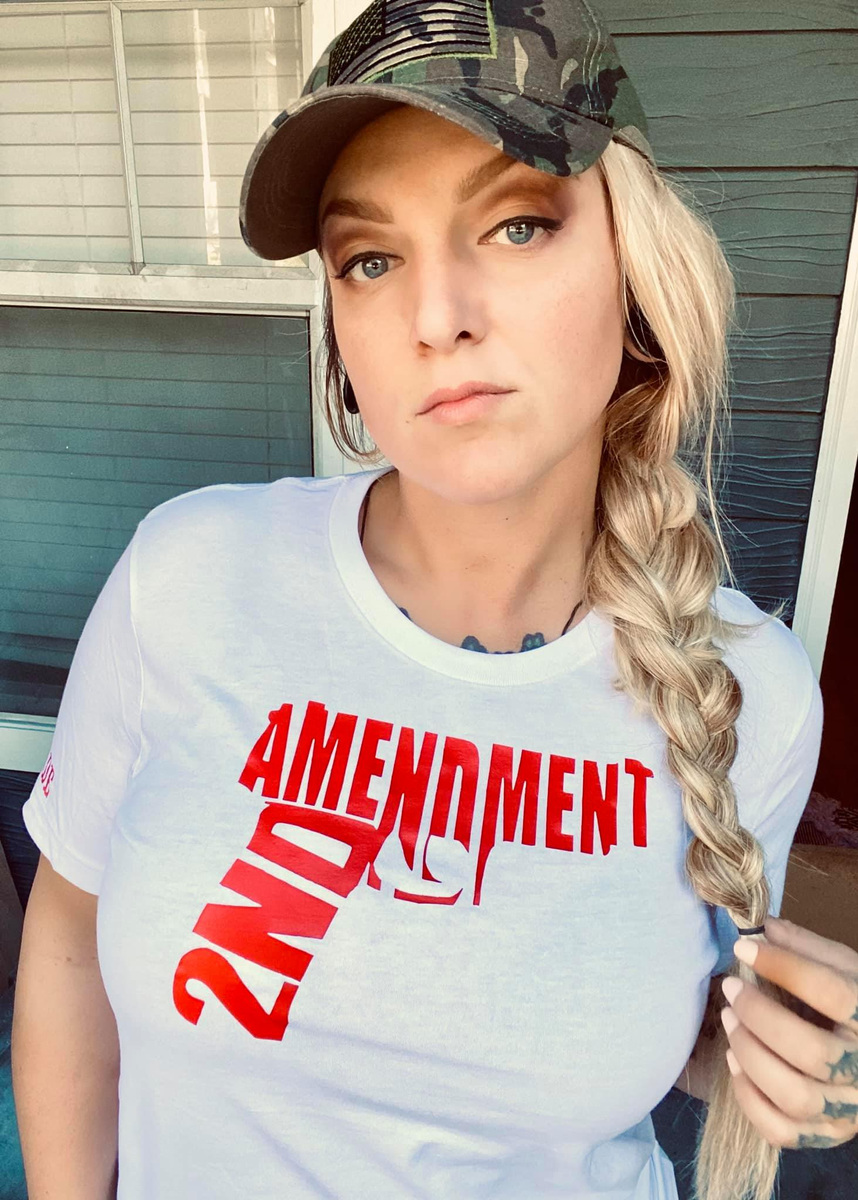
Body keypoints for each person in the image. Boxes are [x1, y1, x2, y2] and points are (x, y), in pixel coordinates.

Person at [15, 2, 854, 1199]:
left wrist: (773, 1058)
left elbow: (656, 1032)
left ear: (637, 271)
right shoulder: (189, 577)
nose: (435, 317)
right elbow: (64, 932)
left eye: (515, 226)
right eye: (371, 259)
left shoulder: (747, 690)